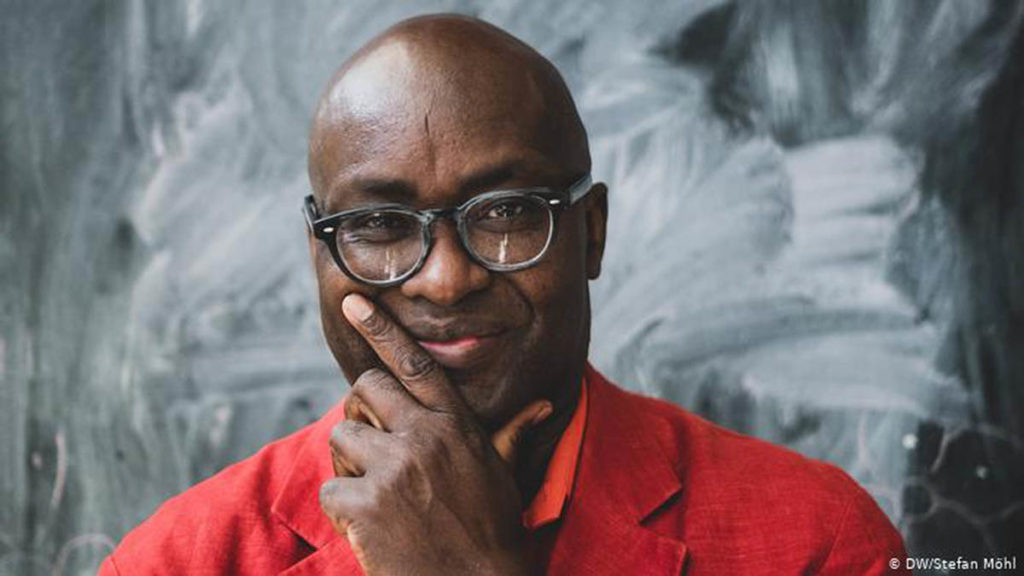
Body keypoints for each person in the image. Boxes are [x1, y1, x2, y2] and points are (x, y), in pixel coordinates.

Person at [99, 14, 908, 575]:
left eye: (507, 213)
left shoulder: (817, 543)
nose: (447, 278)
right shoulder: (176, 561)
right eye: (380, 224)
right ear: (321, 256)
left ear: (590, 233)